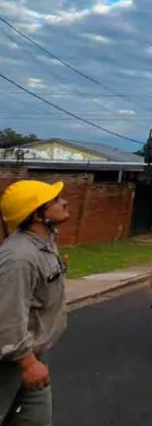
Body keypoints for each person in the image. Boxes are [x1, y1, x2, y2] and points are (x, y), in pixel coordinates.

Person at [0, 180, 71, 426]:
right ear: (38, 214)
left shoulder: (43, 245)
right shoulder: (19, 258)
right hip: (10, 361)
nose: (64, 202)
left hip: (33, 354)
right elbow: (6, 315)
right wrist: (27, 362)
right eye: (55, 200)